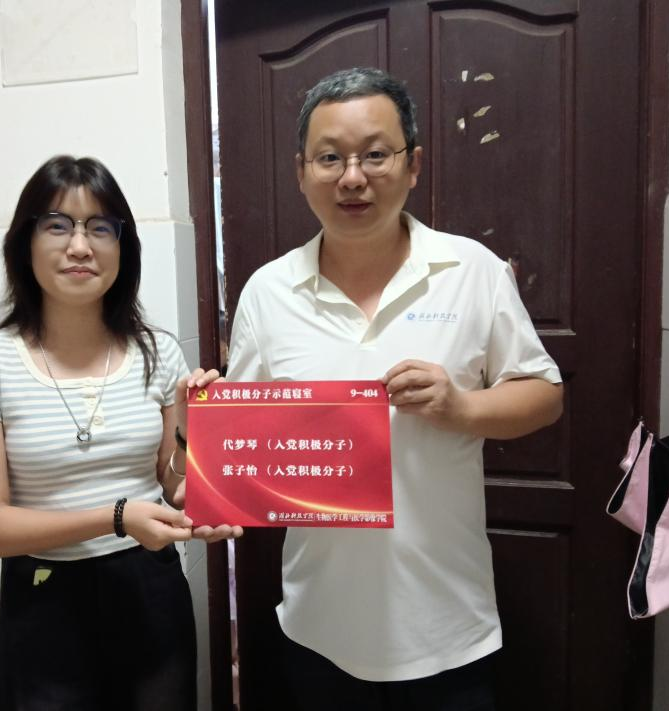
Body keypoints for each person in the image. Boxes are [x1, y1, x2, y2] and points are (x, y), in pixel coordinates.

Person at [225, 68, 563, 710]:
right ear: (301, 172)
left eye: (375, 154)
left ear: (413, 166)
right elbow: (242, 444)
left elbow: (543, 394)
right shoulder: (268, 292)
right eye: (330, 158)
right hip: (317, 623)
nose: (352, 177)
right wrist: (203, 444)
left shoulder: (471, 270)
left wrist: (461, 406)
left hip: (448, 627)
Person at [0, 155, 241, 710]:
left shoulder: (159, 352)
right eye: (58, 225)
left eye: (100, 228)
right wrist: (117, 517)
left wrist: (192, 443)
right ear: (25, 243)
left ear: (122, 248)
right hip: (43, 599)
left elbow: (174, 487)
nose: (80, 246)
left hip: (150, 588)